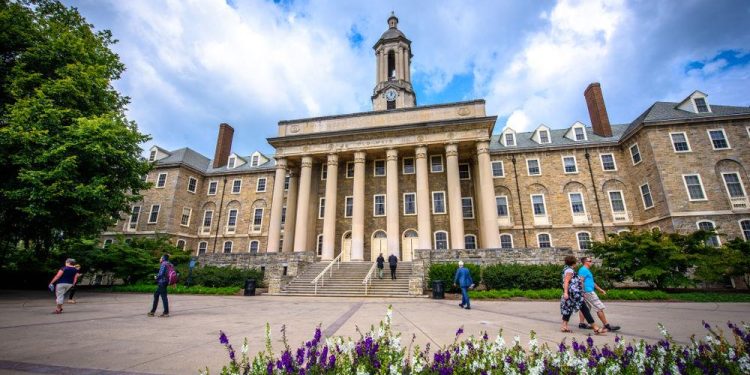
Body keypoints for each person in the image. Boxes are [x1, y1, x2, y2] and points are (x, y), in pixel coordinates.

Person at [560, 256, 606, 334]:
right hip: (574, 293)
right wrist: (565, 292)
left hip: (572, 293)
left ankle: (564, 326)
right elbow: (566, 281)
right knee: (584, 309)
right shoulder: (569, 270)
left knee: (568, 308)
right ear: (574, 263)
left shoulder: (566, 269)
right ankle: (595, 327)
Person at [577, 256, 620, 331]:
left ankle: (582, 324)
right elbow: (580, 281)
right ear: (585, 262)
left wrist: (600, 290)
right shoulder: (583, 270)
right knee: (599, 307)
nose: (591, 262)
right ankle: (606, 325)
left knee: (585, 308)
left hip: (587, 291)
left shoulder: (586, 270)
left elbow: (592, 282)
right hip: (588, 292)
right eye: (590, 261)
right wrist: (582, 291)